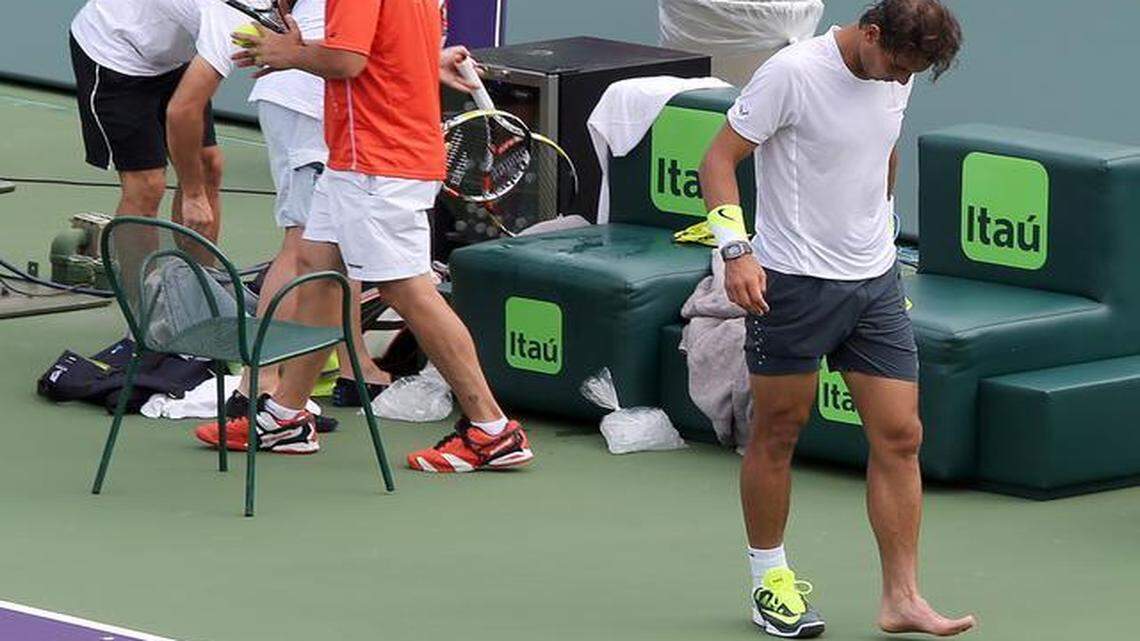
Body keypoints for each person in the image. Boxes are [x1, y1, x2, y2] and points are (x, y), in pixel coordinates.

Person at [698, 0, 973, 637]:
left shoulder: (893, 74)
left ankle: (901, 598)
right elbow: (717, 161)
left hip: (874, 284)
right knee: (779, 432)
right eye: (897, 66)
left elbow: (883, 151)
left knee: (902, 436)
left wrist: (884, 231)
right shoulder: (791, 73)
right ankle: (772, 581)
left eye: (914, 72)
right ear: (870, 33)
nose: (901, 80)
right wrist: (734, 250)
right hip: (792, 284)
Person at [225, 0, 534, 470]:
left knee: (405, 287)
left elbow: (348, 60)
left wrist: (289, 53)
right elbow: (387, 47)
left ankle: (491, 430)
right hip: (358, 156)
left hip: (377, 162)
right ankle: (286, 417)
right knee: (317, 265)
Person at [194, 0, 396, 453]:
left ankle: (355, 368)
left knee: (337, 242)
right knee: (304, 241)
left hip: (325, 93)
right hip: (309, 97)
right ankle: (258, 383)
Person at [68, 0, 250, 240]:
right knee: (147, 185)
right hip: (116, 52)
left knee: (208, 166)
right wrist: (194, 196)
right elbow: (183, 111)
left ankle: (200, 275)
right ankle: (135, 278)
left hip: (173, 54)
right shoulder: (230, 13)